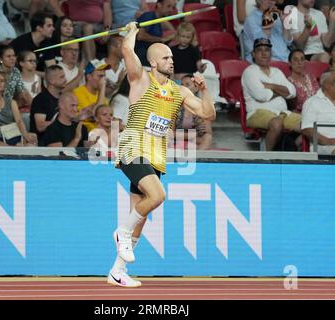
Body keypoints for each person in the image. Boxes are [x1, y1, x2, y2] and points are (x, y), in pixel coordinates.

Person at [108, 22, 216, 288]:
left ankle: (117, 272)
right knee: (157, 196)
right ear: (153, 62)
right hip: (134, 146)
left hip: (156, 154)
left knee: (140, 217)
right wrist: (132, 30)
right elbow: (125, 48)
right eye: (166, 57)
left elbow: (207, 113)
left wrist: (204, 90)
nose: (171, 60)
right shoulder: (140, 79)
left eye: (171, 56)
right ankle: (121, 233)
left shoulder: (180, 91)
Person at [241, 38, 300, 151]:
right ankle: (267, 158)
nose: (264, 53)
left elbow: (292, 92)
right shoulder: (250, 71)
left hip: (283, 113)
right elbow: (261, 95)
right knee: (276, 124)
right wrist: (281, 92)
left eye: (267, 50)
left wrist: (271, 86)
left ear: (271, 53)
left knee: (309, 124)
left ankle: (293, 150)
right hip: (257, 113)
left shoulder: (277, 72)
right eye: (259, 50)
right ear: (253, 54)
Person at [301, 71, 335, 155]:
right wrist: (328, 141)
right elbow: (307, 130)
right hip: (324, 145)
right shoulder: (312, 102)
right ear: (326, 85)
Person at [287, 48, 319, 113]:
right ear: (290, 63)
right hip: (301, 115)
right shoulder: (288, 82)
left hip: (319, 111)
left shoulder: (311, 77)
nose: (299, 62)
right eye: (296, 60)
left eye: (302, 59)